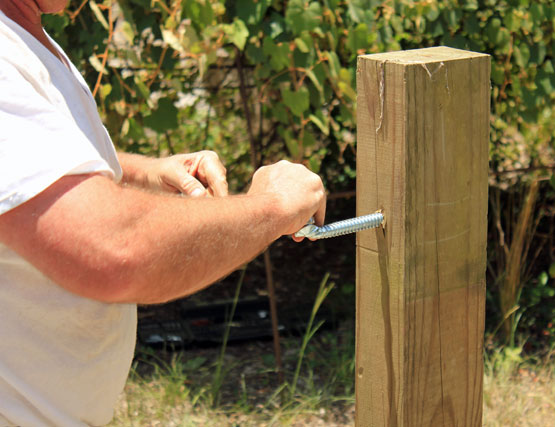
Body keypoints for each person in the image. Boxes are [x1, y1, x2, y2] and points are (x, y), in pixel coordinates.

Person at [0, 0, 326, 425]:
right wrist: (274, 206)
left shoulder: (24, 30)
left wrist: (142, 173)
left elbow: (31, 164)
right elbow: (117, 253)